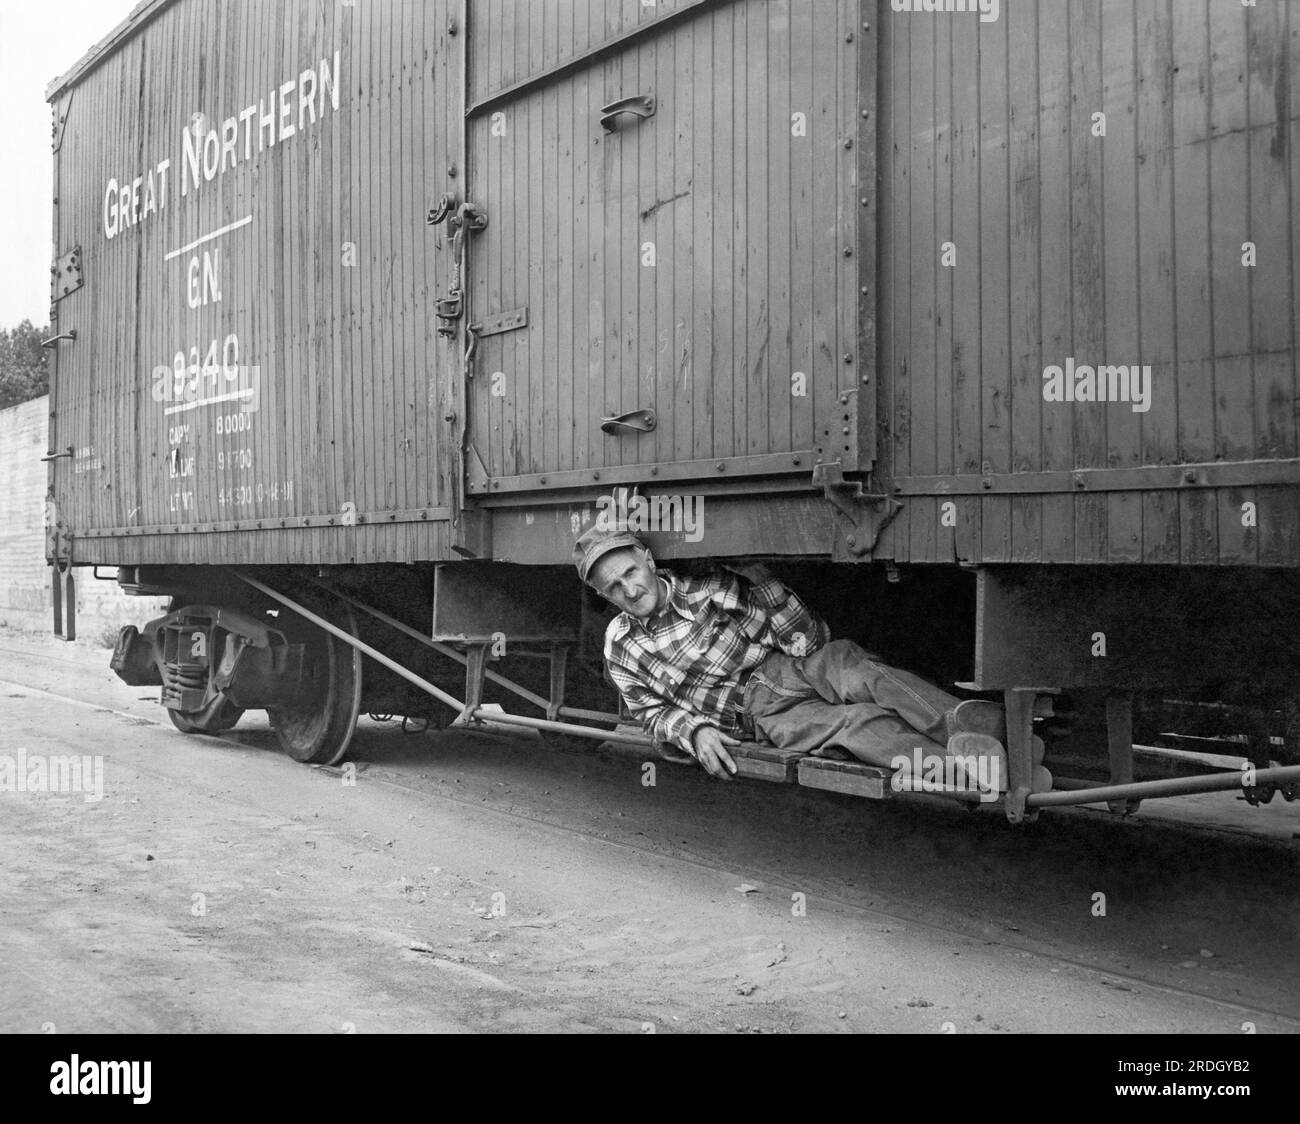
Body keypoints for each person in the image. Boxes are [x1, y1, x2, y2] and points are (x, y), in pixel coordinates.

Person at [574, 526, 1010, 786]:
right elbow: (650, 711)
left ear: (648, 560)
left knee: (850, 667)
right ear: (600, 594)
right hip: (759, 717)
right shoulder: (621, 643)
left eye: (630, 572)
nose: (629, 591)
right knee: (852, 725)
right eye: (613, 587)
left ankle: (965, 724)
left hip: (783, 668)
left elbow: (809, 641)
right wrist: (694, 732)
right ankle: (967, 769)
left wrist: (765, 584)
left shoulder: (708, 587)